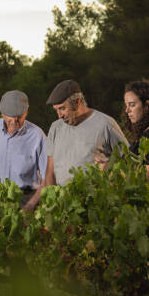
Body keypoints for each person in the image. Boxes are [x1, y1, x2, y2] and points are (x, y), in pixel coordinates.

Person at [23, 79, 127, 211]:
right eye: (56, 110)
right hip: (62, 208)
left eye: (62, 108)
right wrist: (51, 203)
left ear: (77, 102)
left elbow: (127, 161)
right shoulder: (55, 128)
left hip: (94, 207)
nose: (59, 115)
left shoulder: (105, 124)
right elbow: (50, 171)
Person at [0, 90, 47, 205]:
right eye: (10, 117)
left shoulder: (38, 136)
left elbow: (48, 177)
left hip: (26, 200)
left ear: (27, 111)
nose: (14, 121)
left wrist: (31, 205)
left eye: (19, 116)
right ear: (2, 113)